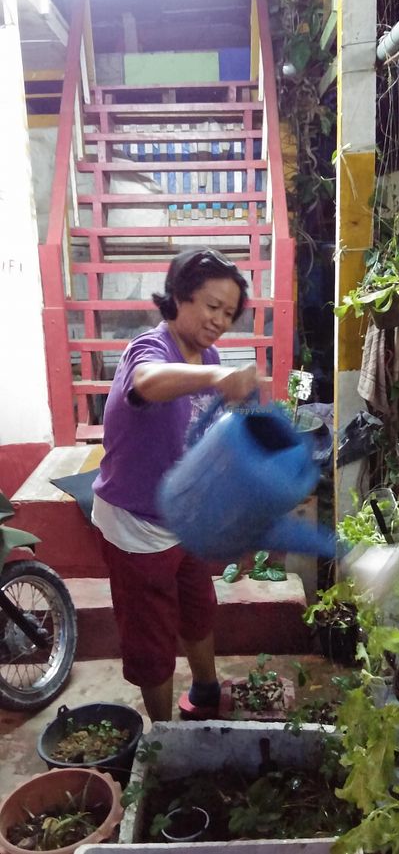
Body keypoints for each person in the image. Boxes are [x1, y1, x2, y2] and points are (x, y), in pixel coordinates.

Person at [92, 247, 258, 722]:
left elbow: (204, 431)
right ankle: (163, 737)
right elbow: (146, 383)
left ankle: (206, 690)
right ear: (179, 298)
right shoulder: (148, 350)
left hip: (185, 515)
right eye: (211, 306)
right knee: (151, 636)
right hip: (137, 525)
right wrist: (215, 375)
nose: (219, 320)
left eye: (229, 312)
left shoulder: (208, 353)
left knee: (198, 606)